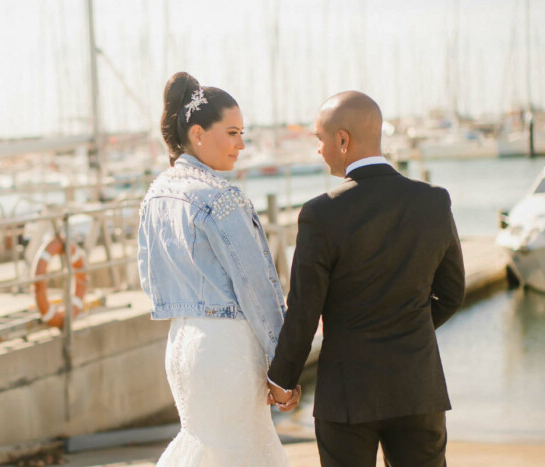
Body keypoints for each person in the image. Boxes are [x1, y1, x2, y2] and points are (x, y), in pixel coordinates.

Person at [267, 91, 466, 467]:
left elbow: (304, 311)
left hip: (346, 393)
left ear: (342, 140)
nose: (319, 150)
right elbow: (452, 293)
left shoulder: (319, 214)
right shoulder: (433, 202)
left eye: (320, 139)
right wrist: (410, 328)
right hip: (418, 388)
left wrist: (282, 380)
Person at [137, 72, 293, 466]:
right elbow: (257, 288)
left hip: (181, 344)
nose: (242, 144)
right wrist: (284, 366)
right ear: (198, 134)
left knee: (204, 447)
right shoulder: (221, 199)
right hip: (226, 348)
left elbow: (148, 280)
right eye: (233, 132)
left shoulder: (154, 196)